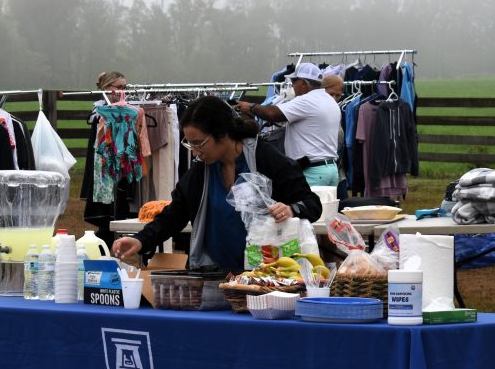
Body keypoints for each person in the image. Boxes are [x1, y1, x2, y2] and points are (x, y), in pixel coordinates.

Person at [111, 96, 321, 272]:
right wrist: (140, 240)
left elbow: (312, 204)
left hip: (267, 279)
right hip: (215, 279)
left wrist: (290, 209)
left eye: (199, 143)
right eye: (189, 143)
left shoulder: (265, 158)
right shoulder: (201, 171)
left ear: (223, 134)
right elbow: (173, 215)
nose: (195, 150)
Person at [236, 62, 342, 187]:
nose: (293, 87)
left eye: (293, 83)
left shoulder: (306, 100)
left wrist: (250, 107)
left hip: (312, 172)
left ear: (303, 83)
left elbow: (272, 113)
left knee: (304, 206)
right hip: (330, 169)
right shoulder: (329, 101)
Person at [81, 70, 129, 248]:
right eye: (119, 87)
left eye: (125, 87)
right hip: (103, 173)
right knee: (106, 220)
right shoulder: (99, 113)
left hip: (120, 171)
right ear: (107, 88)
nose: (123, 91)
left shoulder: (127, 109)